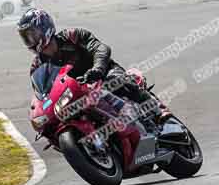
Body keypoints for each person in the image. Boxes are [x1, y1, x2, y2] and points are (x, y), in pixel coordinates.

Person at [17, 8, 171, 125]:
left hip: (102, 73)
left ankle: (158, 109)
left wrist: (98, 68)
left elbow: (101, 48)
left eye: (32, 34)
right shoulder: (37, 66)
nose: (30, 41)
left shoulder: (72, 36)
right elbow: (42, 95)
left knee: (116, 80)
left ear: (45, 27)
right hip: (78, 94)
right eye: (26, 38)